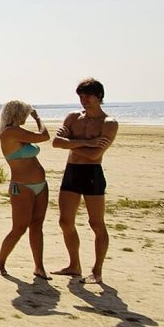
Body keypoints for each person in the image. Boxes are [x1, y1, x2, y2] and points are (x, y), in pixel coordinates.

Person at [52, 78, 118, 284]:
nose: (83, 100)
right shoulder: (73, 118)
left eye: (87, 96)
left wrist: (69, 143)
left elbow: (94, 155)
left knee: (96, 222)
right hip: (72, 171)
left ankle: (97, 271)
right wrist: (85, 142)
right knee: (65, 221)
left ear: (99, 97)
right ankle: (74, 265)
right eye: (80, 96)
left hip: (92, 173)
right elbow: (56, 143)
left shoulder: (109, 123)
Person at [0, 100, 51, 278]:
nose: (27, 116)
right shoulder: (10, 132)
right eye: (25, 114)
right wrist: (38, 118)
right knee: (19, 227)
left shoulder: (18, 131)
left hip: (40, 185)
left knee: (37, 226)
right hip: (22, 187)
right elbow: (44, 136)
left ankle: (39, 267)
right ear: (18, 114)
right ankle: (0, 262)